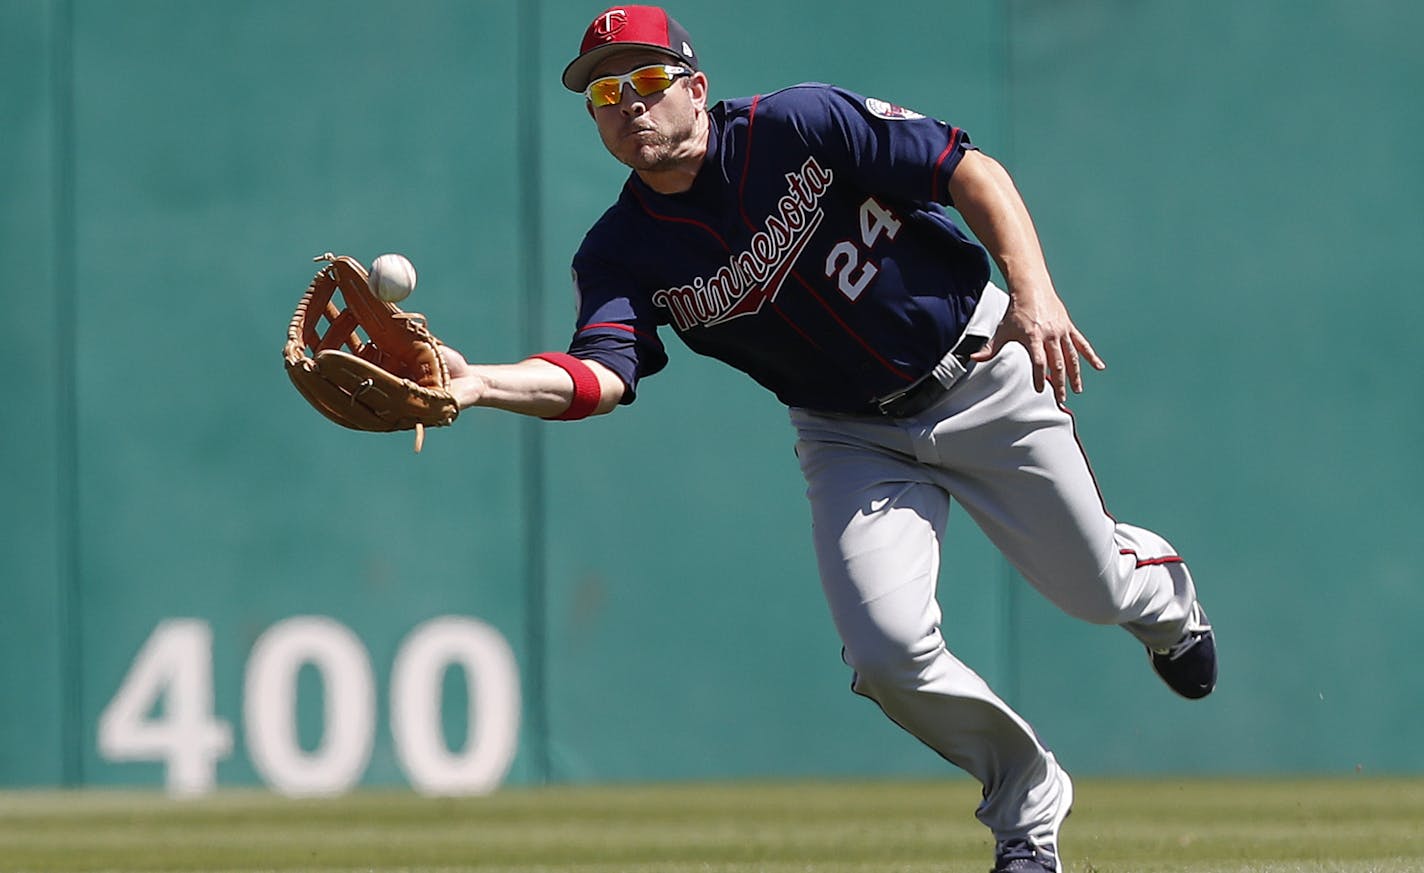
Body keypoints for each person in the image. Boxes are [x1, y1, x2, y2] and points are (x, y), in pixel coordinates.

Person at [439, 6, 1217, 872]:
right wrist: (478, 384)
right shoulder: (619, 251)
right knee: (885, 652)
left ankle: (1165, 598)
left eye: (649, 80)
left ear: (696, 88)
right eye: (606, 94)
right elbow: (601, 376)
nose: (630, 105)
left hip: (980, 367)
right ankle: (1026, 807)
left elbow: (971, 171)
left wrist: (1032, 290)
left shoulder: (799, 124)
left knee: (1093, 588)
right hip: (848, 436)